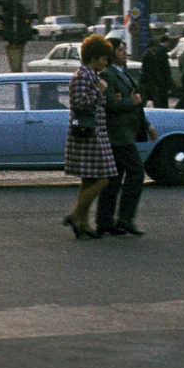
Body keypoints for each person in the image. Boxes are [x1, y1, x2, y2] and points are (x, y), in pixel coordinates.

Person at [96, 41, 156, 237]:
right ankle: (125, 218)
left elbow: (134, 103)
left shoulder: (122, 72)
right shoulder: (108, 74)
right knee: (136, 172)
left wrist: (147, 126)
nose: (124, 53)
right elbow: (110, 104)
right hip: (118, 134)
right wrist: (131, 101)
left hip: (127, 132)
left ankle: (105, 220)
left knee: (114, 178)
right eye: (120, 50)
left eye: (124, 50)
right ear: (111, 53)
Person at [62, 34, 117, 239]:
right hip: (87, 135)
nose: (105, 62)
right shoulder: (82, 76)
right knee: (104, 178)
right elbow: (79, 103)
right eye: (103, 58)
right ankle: (76, 215)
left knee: (89, 179)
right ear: (92, 57)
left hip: (96, 133)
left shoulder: (92, 75)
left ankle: (83, 223)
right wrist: (99, 92)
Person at [140, 36, 172, 109]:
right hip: (150, 81)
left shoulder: (151, 54)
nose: (156, 48)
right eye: (155, 46)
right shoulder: (148, 55)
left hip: (151, 80)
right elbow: (148, 69)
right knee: (151, 97)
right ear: (152, 46)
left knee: (152, 98)